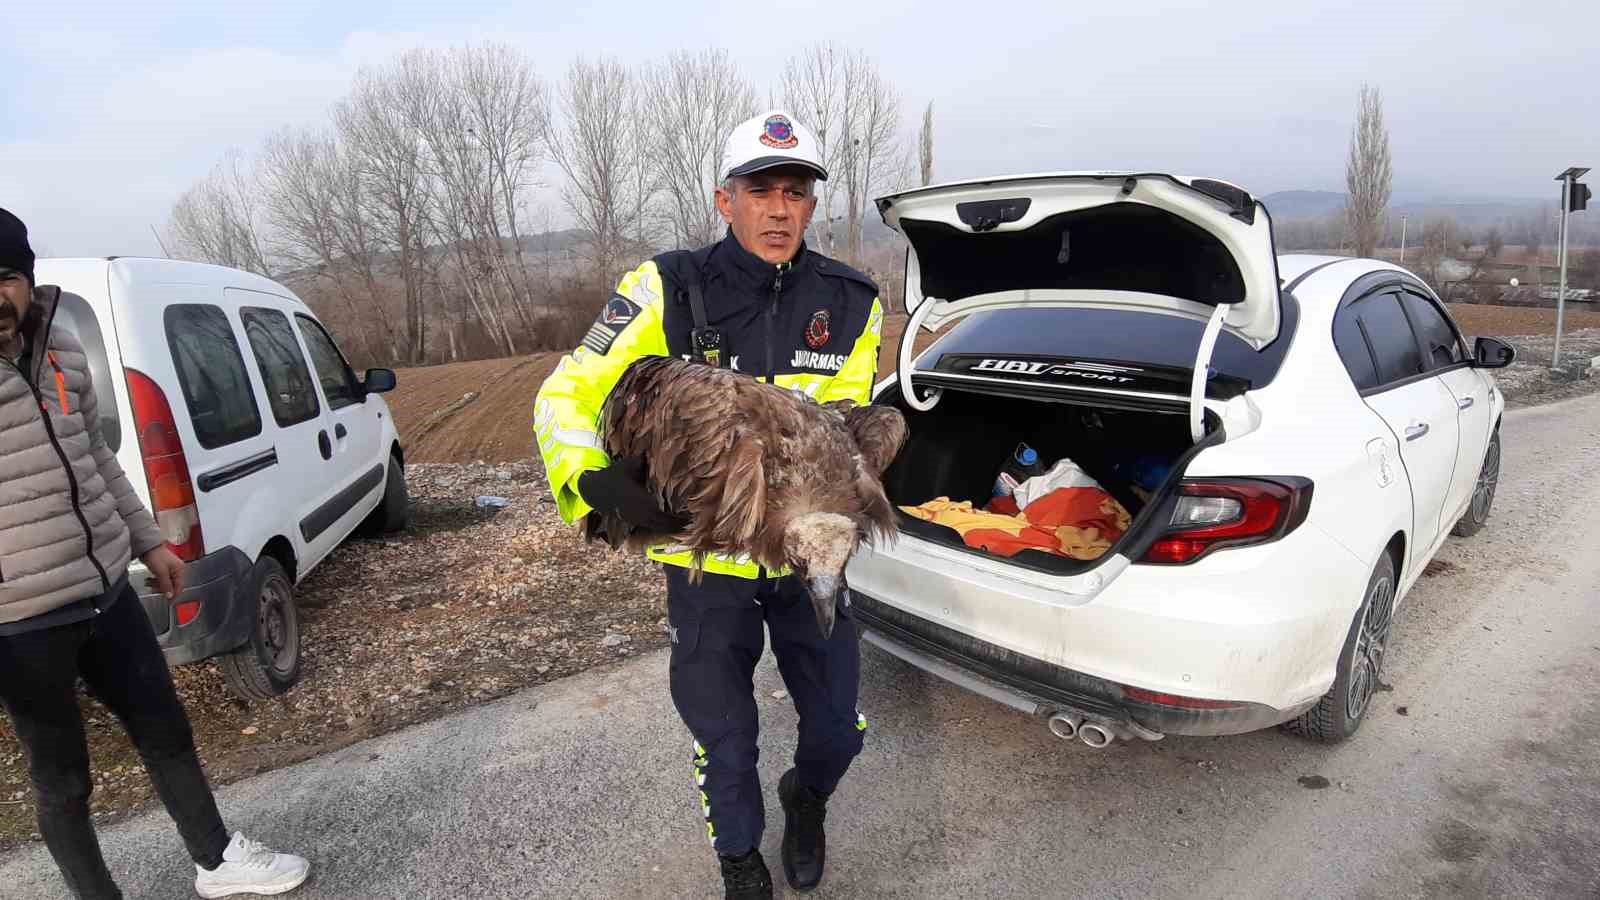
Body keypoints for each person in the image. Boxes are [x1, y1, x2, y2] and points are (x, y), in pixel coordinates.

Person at [534, 110, 884, 899]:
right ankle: (738, 860)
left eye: (795, 192)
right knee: (726, 738)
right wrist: (586, 478)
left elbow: (842, 431)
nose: (779, 209)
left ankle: (809, 797)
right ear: (725, 200)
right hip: (702, 559)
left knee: (838, 729)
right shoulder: (663, 289)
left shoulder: (853, 302)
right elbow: (567, 391)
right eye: (760, 190)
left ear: (810, 205)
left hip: (800, 559)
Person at [0, 207, 310, 900]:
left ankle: (217, 859)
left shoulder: (60, 349)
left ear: (28, 278)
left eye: (7, 277)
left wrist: (149, 543)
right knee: (63, 778)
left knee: (164, 727)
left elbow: (97, 460)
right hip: (18, 621)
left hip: (106, 586)